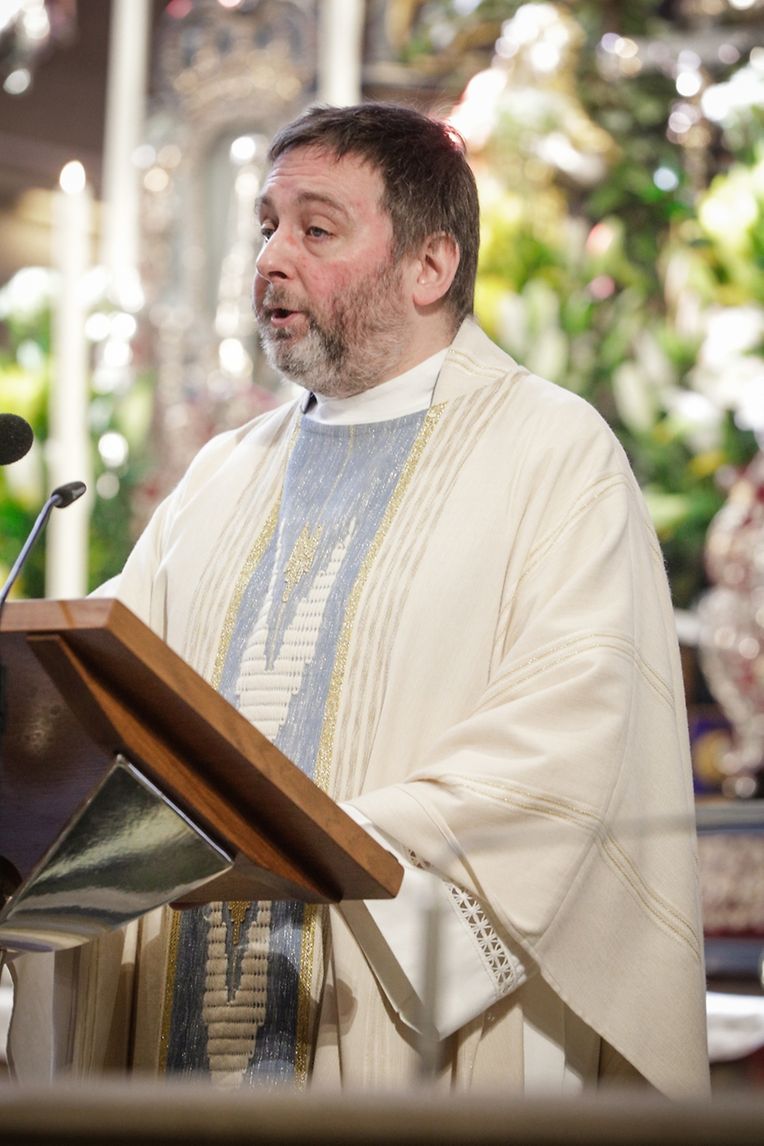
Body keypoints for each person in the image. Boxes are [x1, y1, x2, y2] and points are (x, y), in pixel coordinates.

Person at [8, 103, 708, 1096]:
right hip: (182, 1014)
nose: (269, 259)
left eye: (316, 230)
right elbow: (101, 689)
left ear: (430, 265)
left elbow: (569, 737)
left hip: (390, 1018)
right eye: (267, 226)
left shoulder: (551, 456)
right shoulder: (223, 475)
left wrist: (316, 839)